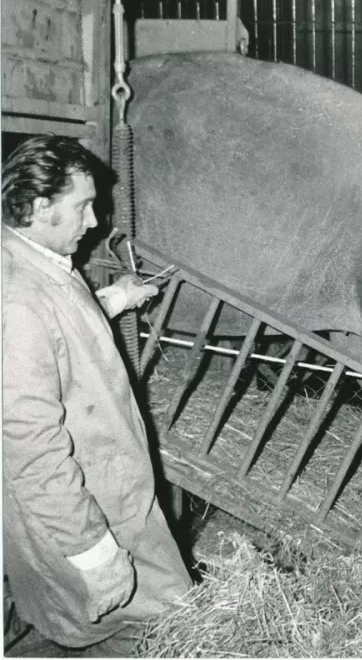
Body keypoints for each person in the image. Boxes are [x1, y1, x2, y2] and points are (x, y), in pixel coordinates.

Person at [2, 136, 192, 651]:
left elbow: (56, 333)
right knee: (174, 628)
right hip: (91, 516)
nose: (94, 222)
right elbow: (30, 449)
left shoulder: (36, 260)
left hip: (112, 493)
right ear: (41, 206)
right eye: (82, 206)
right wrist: (95, 552)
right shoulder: (16, 298)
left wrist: (114, 298)